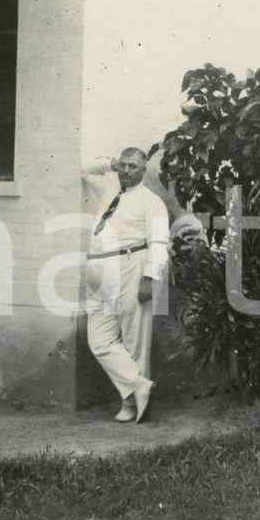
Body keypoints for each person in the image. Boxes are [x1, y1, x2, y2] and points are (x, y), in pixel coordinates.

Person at [81, 148, 170, 423]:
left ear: (143, 170)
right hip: (99, 268)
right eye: (123, 165)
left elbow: (159, 242)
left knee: (134, 339)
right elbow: (85, 169)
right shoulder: (108, 189)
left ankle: (131, 405)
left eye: (133, 167)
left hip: (130, 264)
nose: (126, 171)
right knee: (99, 339)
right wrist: (109, 162)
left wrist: (149, 277)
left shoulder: (151, 201)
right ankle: (139, 386)